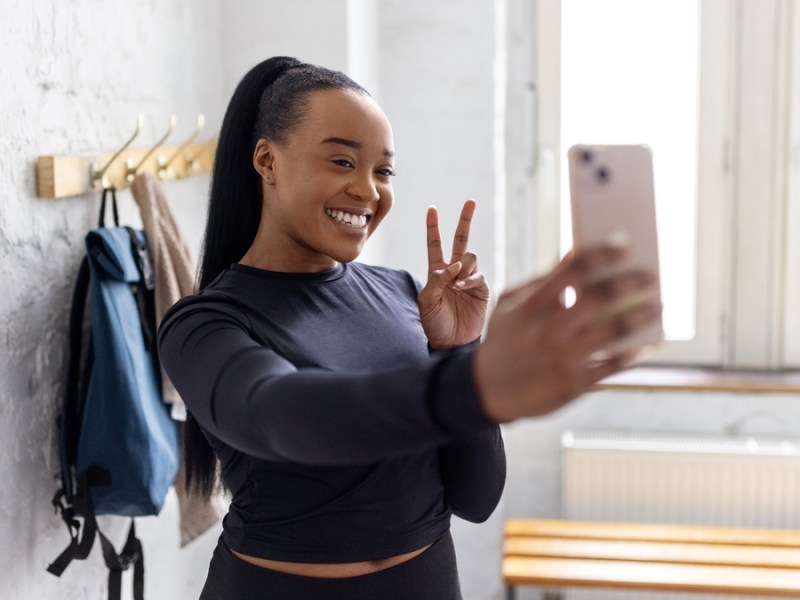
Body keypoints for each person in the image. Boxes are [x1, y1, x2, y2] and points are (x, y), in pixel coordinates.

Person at [158, 56, 661, 600]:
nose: (369, 191)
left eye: (384, 171)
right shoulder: (202, 323)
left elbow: (474, 498)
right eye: (342, 161)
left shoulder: (402, 293)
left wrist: (458, 350)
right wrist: (474, 382)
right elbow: (281, 413)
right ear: (266, 160)